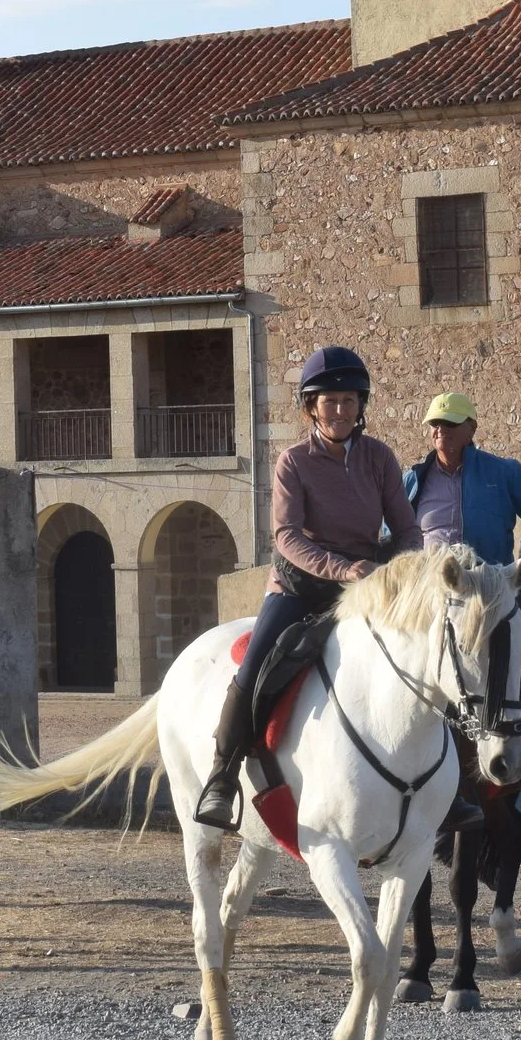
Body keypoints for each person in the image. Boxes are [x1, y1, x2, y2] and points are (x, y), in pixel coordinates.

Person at [193, 345, 421, 830]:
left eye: (348, 400)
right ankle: (222, 776)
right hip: (300, 587)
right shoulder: (292, 462)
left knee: (425, 655)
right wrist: (343, 569)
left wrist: (402, 568)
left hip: (366, 582)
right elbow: (287, 536)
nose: (339, 410)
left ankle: (447, 784)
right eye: (329, 401)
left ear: (361, 405)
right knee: (255, 666)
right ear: (311, 407)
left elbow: (406, 528)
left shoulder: (380, 458)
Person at [402, 394, 521, 787]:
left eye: (449, 424)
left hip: (496, 594)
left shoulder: (504, 472)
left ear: (471, 430)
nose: (439, 431)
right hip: (434, 599)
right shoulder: (413, 480)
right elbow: (390, 535)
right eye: (434, 424)